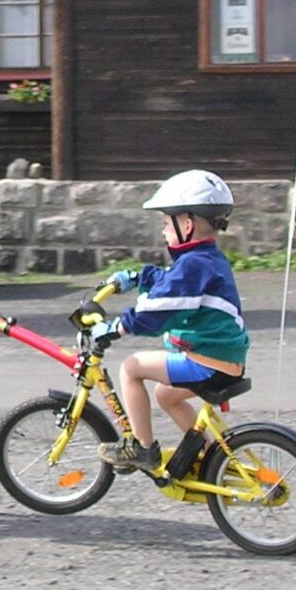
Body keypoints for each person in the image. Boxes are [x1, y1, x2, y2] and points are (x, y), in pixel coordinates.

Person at [91, 169, 249, 471]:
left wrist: (116, 327)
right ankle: (211, 458)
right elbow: (170, 283)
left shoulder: (193, 265)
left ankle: (142, 449)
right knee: (166, 395)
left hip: (209, 363)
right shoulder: (205, 259)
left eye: (166, 223)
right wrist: (139, 277)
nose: (164, 231)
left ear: (187, 224)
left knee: (131, 368)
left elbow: (158, 311)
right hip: (224, 361)